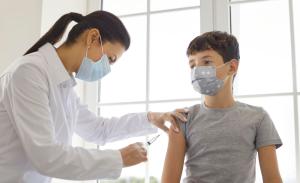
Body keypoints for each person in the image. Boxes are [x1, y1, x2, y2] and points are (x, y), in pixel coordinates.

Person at [0, 11, 187, 182]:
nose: (107, 69)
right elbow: (47, 157)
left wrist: (151, 119)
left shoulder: (64, 86)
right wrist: (119, 158)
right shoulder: (29, 73)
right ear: (92, 37)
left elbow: (99, 130)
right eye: (110, 59)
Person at [161, 31, 283, 183]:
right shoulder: (182, 118)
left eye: (207, 62)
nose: (197, 71)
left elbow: (273, 180)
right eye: (192, 65)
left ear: (231, 67)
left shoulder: (258, 118)